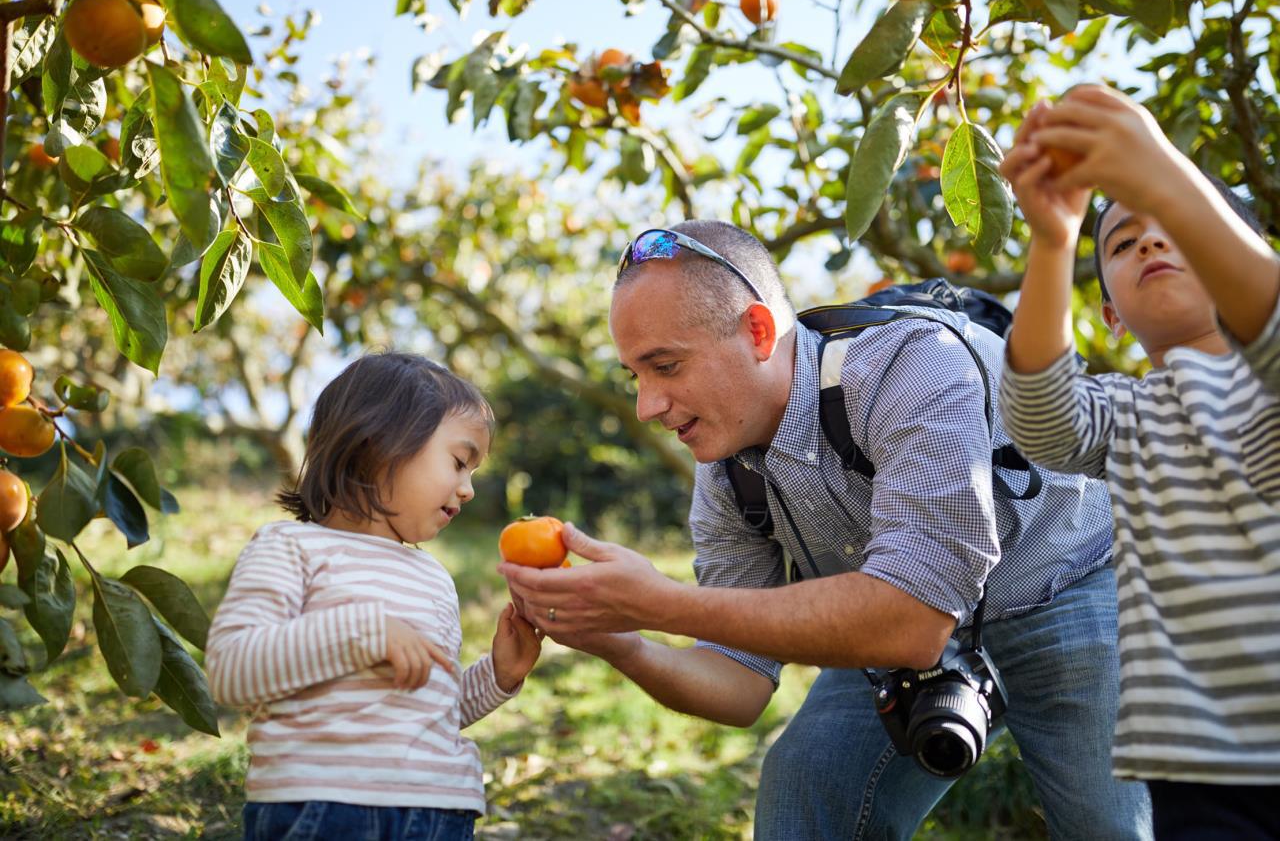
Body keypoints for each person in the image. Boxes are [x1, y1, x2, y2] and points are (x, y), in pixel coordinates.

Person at [500, 221, 1152, 838]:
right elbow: (739, 683)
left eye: (665, 366)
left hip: (1067, 583)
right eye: (634, 376)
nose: (647, 406)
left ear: (758, 331)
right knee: (804, 787)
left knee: (1108, 827)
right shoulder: (727, 469)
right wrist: (624, 640)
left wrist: (660, 601)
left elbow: (909, 621)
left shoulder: (910, 365)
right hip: (900, 621)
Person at [998, 84, 1280, 839]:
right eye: (1122, 243)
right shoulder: (1130, 410)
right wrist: (1053, 240)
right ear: (1111, 314)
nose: (1150, 242)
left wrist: (1158, 172)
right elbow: (1040, 418)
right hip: (1198, 759)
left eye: (1176, 230)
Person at [206, 353, 542, 840]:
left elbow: (429, 709)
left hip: (439, 811)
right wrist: (360, 632)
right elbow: (232, 672)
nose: (467, 490)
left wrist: (499, 676)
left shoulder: (432, 576)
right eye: (458, 462)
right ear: (379, 444)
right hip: (325, 806)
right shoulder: (291, 547)